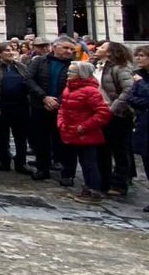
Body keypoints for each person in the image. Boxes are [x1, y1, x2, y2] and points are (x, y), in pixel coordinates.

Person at [57, 61, 112, 204]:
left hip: (86, 134)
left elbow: (103, 113)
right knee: (81, 162)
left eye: (72, 72)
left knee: (89, 163)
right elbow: (63, 108)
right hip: (70, 131)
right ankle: (87, 189)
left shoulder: (91, 91)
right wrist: (61, 122)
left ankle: (94, 191)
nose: (68, 74)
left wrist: (84, 126)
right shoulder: (68, 89)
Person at [0, 43, 42, 174]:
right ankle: (4, 161)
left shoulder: (21, 66)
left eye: (13, 50)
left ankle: (21, 162)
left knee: (20, 136)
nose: (11, 53)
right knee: (1, 135)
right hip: (1, 105)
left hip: (20, 106)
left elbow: (29, 81)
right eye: (7, 50)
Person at [27, 37, 76, 183]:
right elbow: (29, 79)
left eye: (71, 49)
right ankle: (43, 168)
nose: (69, 51)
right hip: (40, 106)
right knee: (40, 139)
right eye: (65, 48)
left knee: (65, 141)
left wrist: (58, 100)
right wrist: (44, 97)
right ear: (55, 47)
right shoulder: (39, 61)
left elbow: (74, 84)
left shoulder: (74, 65)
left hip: (63, 108)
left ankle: (67, 173)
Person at [93, 41, 135, 197]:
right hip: (100, 113)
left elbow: (128, 90)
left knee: (120, 150)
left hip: (117, 115)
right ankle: (103, 181)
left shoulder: (120, 68)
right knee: (101, 149)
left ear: (110, 53)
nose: (98, 48)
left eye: (102, 47)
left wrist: (113, 108)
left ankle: (119, 183)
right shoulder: (97, 66)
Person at [126, 46, 149, 212]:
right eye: (137, 55)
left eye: (142, 56)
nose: (139, 59)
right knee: (146, 160)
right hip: (143, 122)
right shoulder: (139, 74)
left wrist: (140, 84)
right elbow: (131, 98)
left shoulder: (139, 78)